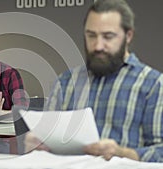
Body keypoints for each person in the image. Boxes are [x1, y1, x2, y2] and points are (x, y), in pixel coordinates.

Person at [24, 0, 163, 162]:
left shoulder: (153, 84)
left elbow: (160, 151)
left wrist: (121, 152)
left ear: (128, 36)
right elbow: (48, 141)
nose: (98, 46)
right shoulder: (66, 82)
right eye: (91, 36)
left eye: (108, 37)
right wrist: (38, 144)